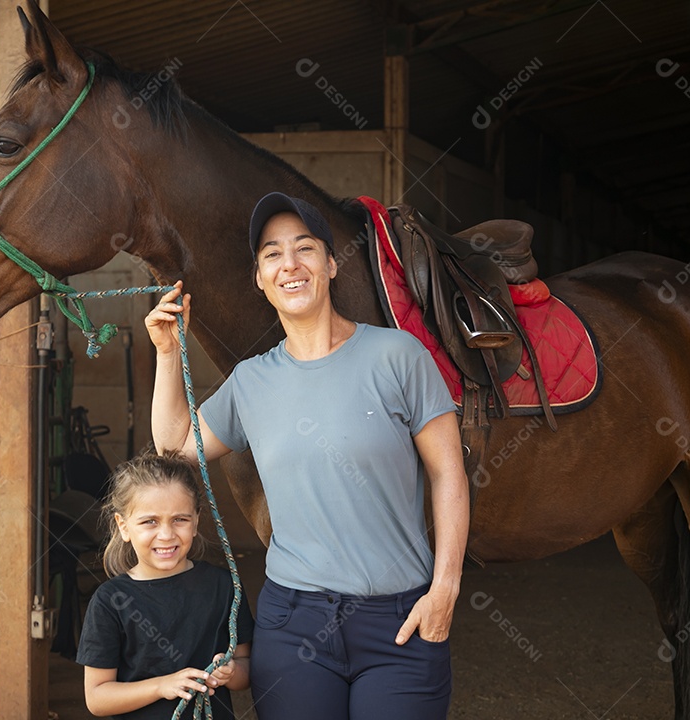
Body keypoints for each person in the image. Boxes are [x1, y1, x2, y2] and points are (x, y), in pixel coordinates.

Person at [145, 192, 470, 719]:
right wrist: (165, 354)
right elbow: (176, 451)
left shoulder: (398, 357)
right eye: (272, 254)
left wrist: (445, 590)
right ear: (259, 276)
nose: (289, 264)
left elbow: (448, 473)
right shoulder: (251, 381)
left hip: (399, 618)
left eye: (305, 248)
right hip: (293, 622)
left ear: (331, 264)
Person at [77, 452, 254, 719]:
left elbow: (245, 668)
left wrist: (231, 672)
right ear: (123, 526)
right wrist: (161, 686)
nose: (166, 534)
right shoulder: (110, 601)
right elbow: (97, 697)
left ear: (195, 521)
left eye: (179, 519)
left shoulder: (223, 585)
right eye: (150, 521)